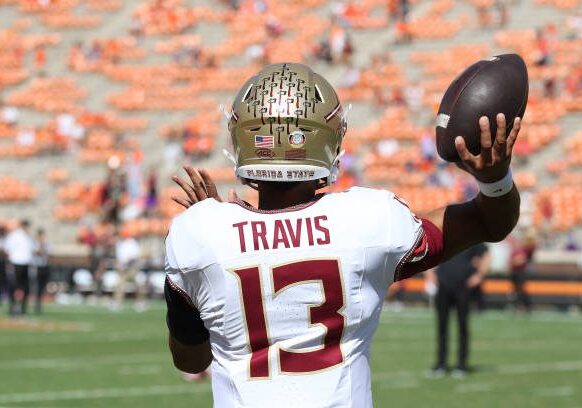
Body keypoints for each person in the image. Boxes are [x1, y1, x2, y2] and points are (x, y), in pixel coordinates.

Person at [164, 63, 521, 407]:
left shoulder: (198, 232)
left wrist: (212, 243)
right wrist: (495, 178)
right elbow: (489, 222)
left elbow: (191, 360)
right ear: (329, 139)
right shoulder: (368, 220)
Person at [426, 244, 490, 378]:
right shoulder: (444, 235)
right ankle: (441, 364)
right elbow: (430, 252)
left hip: (463, 286)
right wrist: (430, 273)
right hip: (443, 285)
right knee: (442, 326)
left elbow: (486, 254)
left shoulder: (472, 237)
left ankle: (462, 365)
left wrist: (479, 276)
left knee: (463, 326)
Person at [4, 220, 35, 316]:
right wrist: (9, 261)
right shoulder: (14, 235)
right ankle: (13, 307)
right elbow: (7, 249)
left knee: (25, 287)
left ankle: (22, 308)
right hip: (16, 263)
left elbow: (32, 249)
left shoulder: (28, 237)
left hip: (25, 263)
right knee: (14, 286)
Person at [112, 229, 145, 311]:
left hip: (132, 267)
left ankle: (140, 302)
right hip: (123, 268)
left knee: (138, 284)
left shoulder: (132, 243)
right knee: (120, 284)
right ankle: (117, 302)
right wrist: (120, 264)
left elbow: (134, 256)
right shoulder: (120, 244)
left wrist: (126, 262)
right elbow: (119, 257)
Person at [509, 231, 536, 312]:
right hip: (514, 272)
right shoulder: (517, 250)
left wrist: (516, 261)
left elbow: (521, 260)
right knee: (516, 290)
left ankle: (524, 306)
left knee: (520, 290)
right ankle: (520, 306)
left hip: (520, 272)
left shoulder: (524, 250)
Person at [33, 229, 51, 314]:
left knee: (42, 287)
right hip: (36, 267)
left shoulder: (47, 245)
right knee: (36, 287)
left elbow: (47, 254)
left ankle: (39, 304)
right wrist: (40, 245)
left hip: (44, 267)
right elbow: (38, 253)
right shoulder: (34, 244)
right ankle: (35, 304)